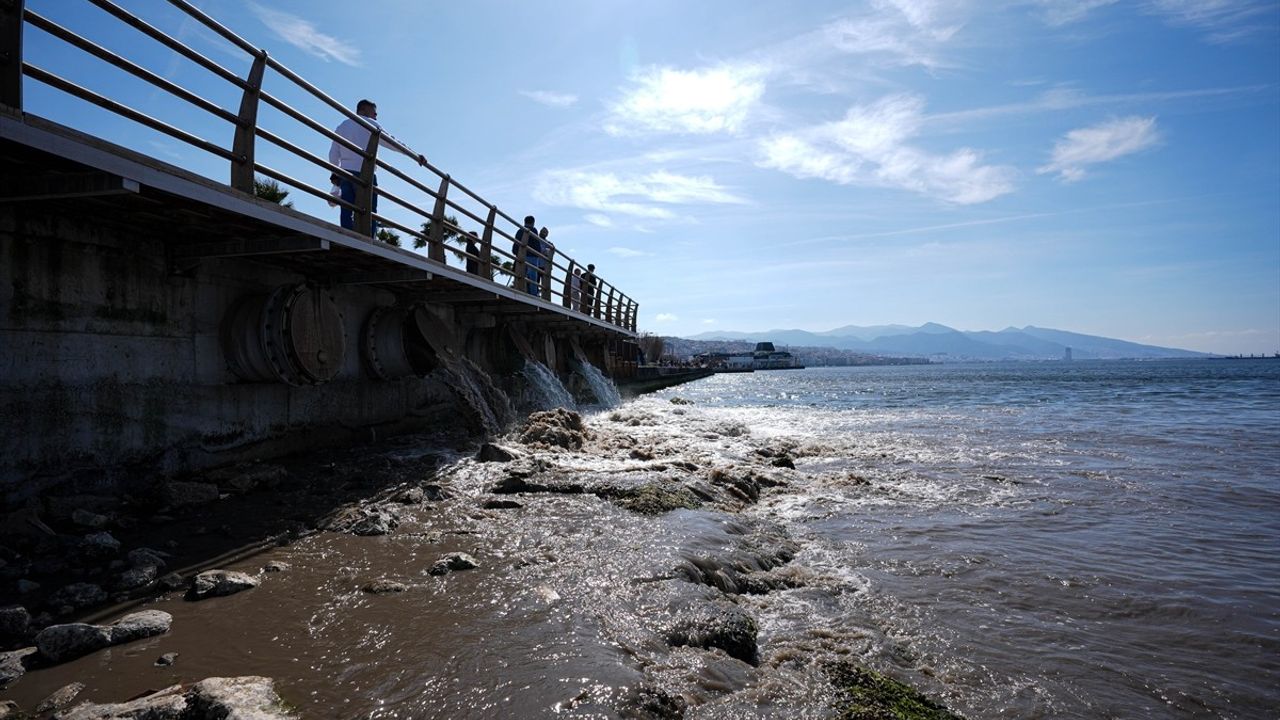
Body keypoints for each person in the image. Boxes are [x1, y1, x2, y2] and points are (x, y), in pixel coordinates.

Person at [328, 99, 426, 236]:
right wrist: (415, 155)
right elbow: (392, 143)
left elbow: (333, 154)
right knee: (369, 209)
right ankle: (369, 238)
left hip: (345, 172)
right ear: (363, 110)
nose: (376, 116)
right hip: (365, 173)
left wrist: (335, 171)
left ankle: (346, 235)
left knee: (347, 207)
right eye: (374, 112)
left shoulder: (342, 126)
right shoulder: (371, 124)